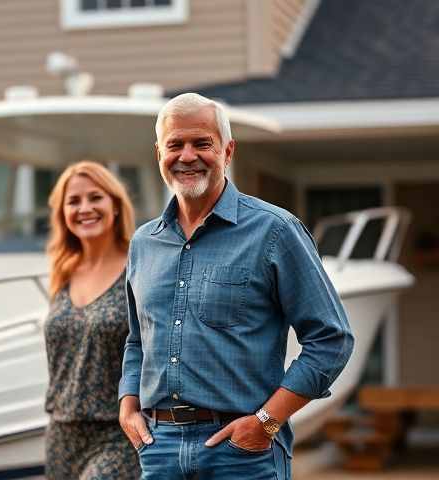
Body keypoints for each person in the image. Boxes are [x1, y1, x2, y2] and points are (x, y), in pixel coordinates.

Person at [118, 93, 354, 480]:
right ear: (159, 153)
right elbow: (137, 340)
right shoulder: (145, 243)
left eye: (202, 143)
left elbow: (332, 339)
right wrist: (128, 407)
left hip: (242, 455)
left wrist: (267, 423)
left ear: (227, 151)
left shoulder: (275, 231)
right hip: (158, 451)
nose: (187, 155)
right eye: (175, 144)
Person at [44, 161, 140, 479]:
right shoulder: (63, 270)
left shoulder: (140, 266)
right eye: (74, 201)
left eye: (95, 197)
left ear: (114, 204)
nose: (85, 208)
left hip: (118, 431)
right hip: (61, 433)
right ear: (62, 213)